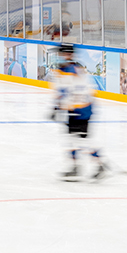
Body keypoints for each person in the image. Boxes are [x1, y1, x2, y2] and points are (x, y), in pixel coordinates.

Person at [51, 43, 105, 181]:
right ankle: (77, 167)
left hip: (81, 110)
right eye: (61, 54)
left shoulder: (74, 71)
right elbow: (61, 91)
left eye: (64, 54)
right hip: (74, 110)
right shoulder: (64, 70)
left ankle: (99, 165)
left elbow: (77, 91)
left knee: (82, 140)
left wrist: (62, 107)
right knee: (72, 140)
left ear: (69, 55)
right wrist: (56, 107)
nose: (61, 56)